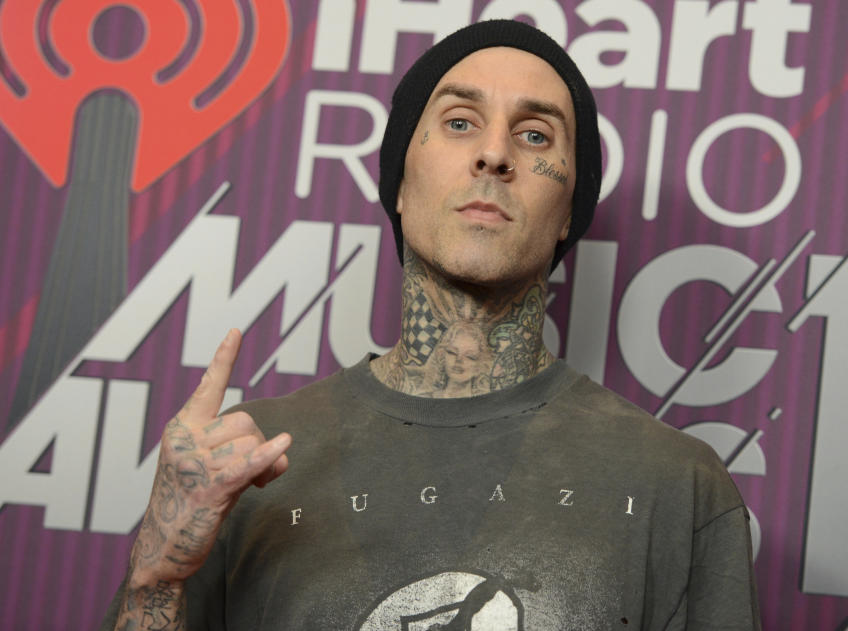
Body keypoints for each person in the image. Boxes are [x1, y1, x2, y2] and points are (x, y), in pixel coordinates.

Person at [101, 19, 760, 630]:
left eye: (535, 134)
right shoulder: (247, 466)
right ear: (399, 178)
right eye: (459, 122)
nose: (495, 153)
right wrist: (156, 575)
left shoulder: (677, 487)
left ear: (568, 212)